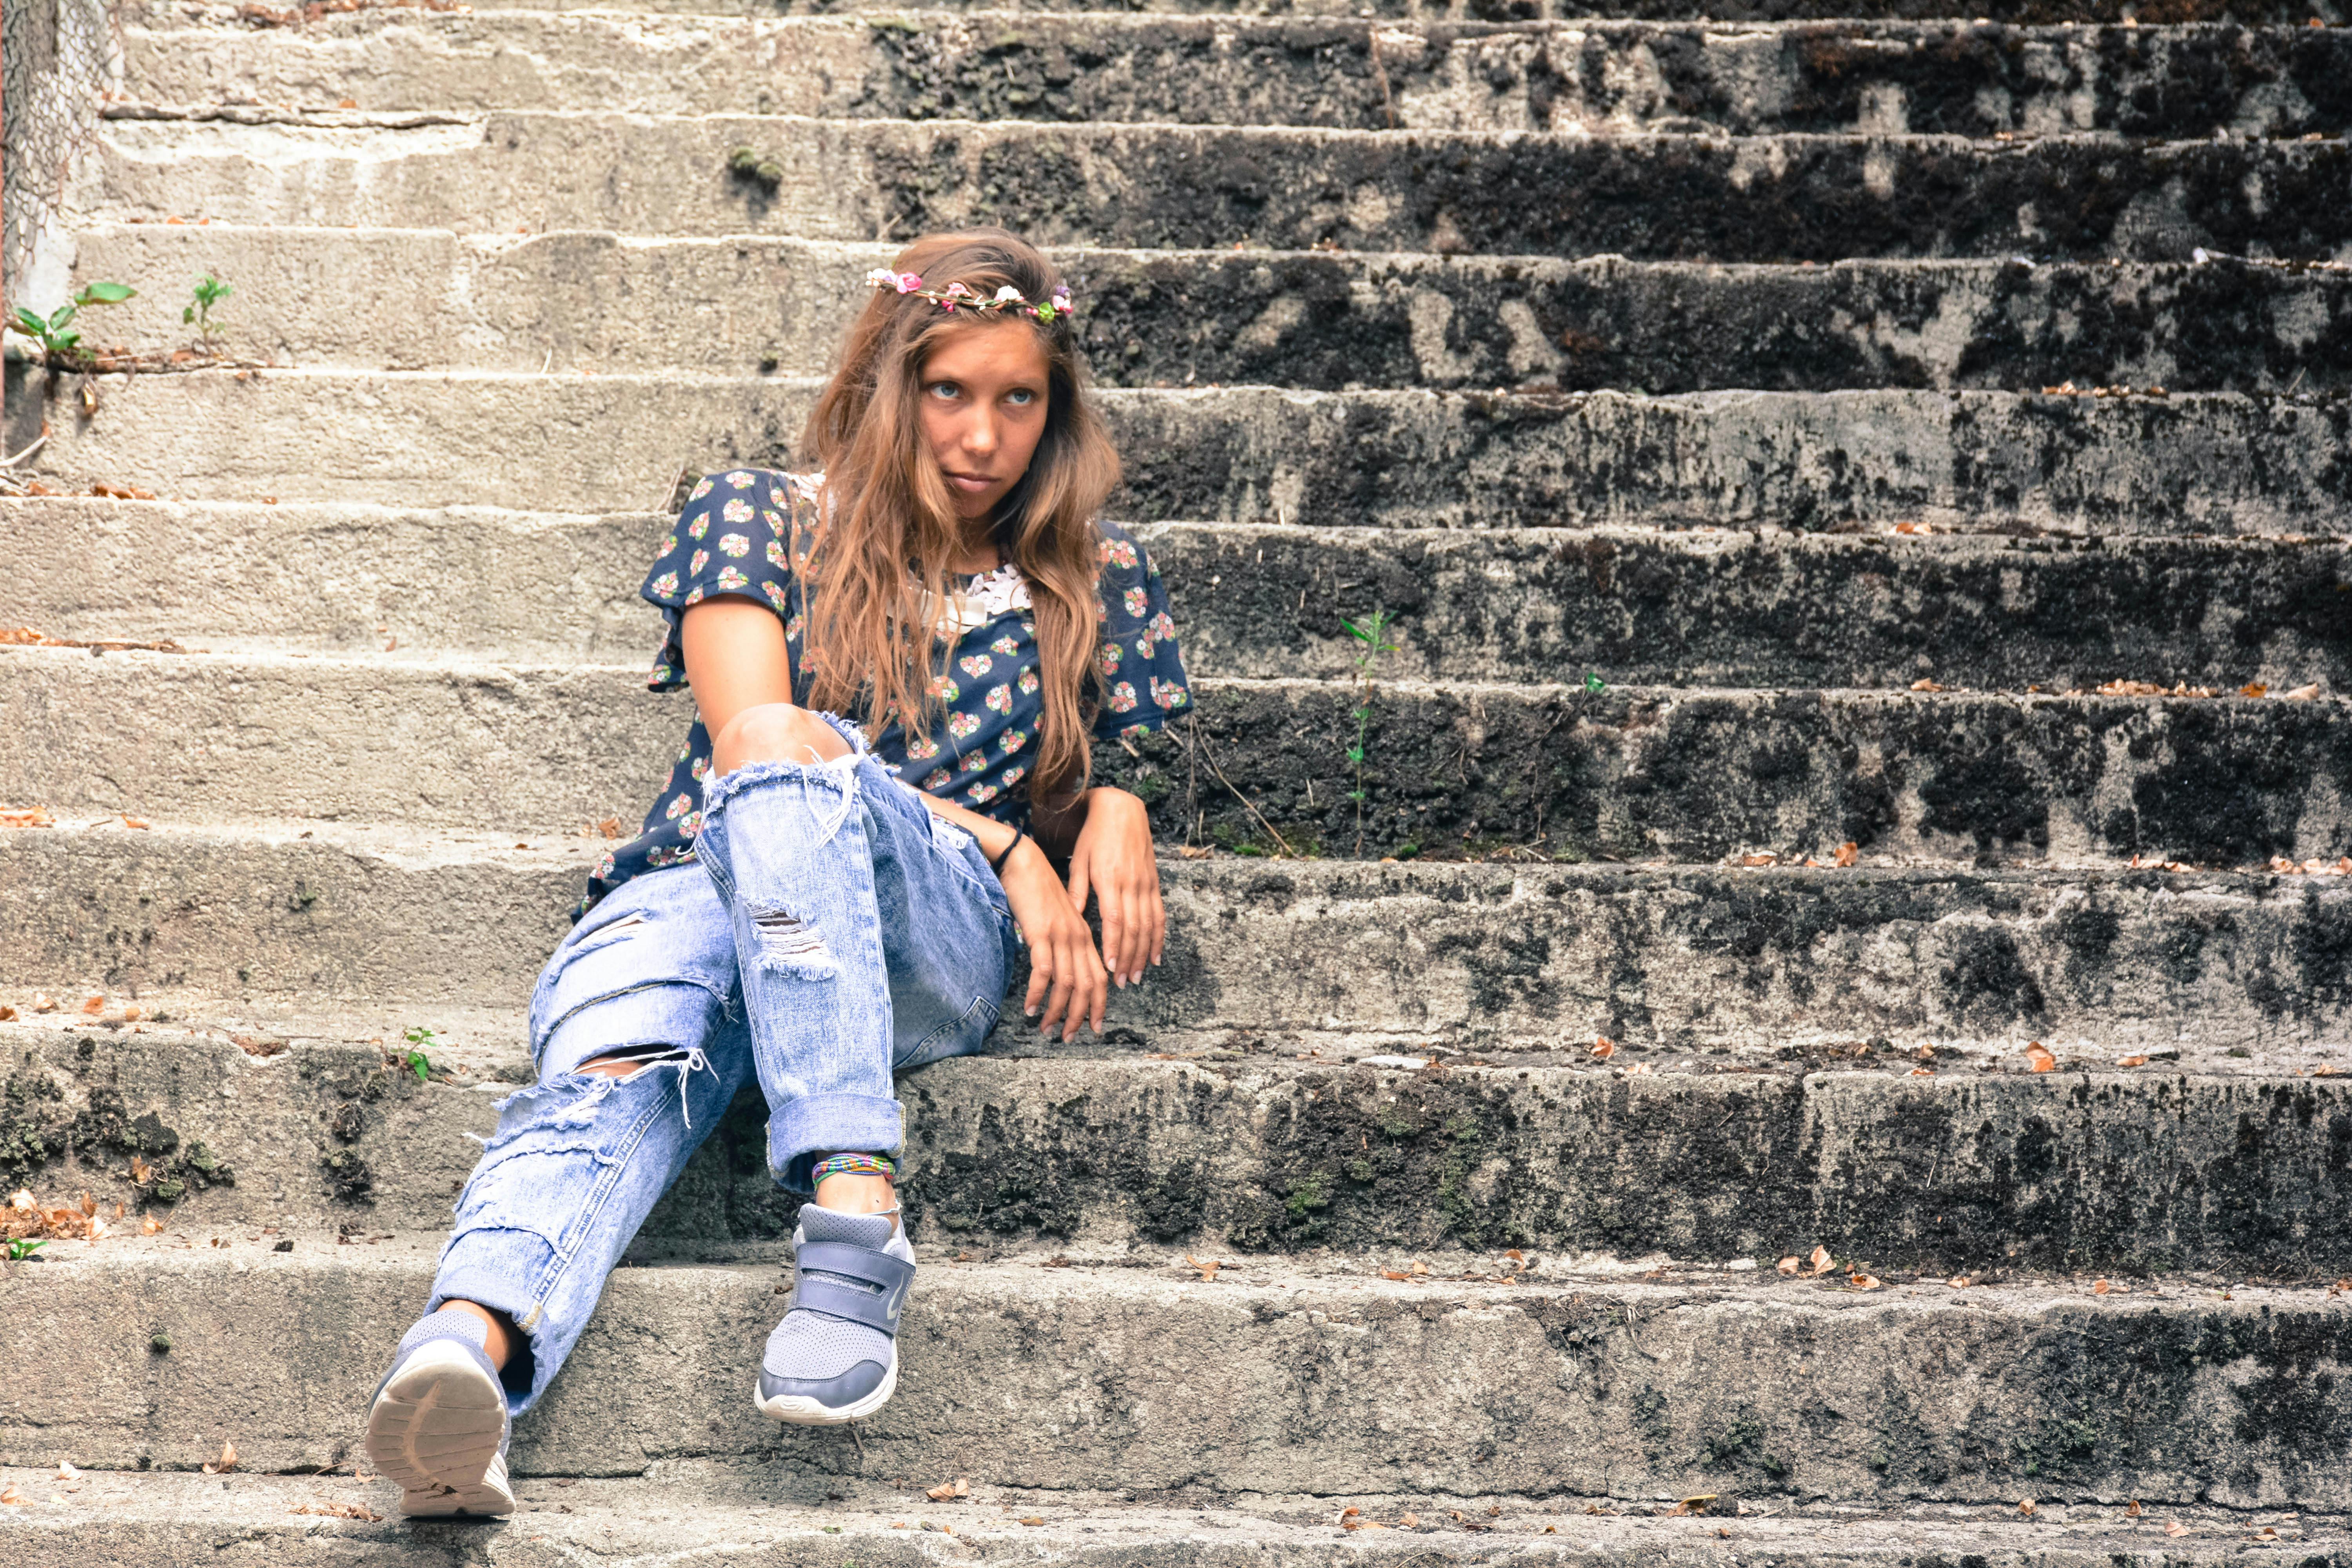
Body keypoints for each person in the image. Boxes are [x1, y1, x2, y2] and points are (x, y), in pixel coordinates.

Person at [359, 229, 1193, 1517]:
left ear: (1056, 409)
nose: (982, 437)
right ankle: (465, 1357)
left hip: (926, 931)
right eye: (949, 392)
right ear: (887, 386)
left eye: (1018, 398)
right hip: (701, 892)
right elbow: (761, 745)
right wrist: (1012, 837)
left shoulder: (1091, 575)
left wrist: (1122, 795)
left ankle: (852, 1202)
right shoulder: (756, 518)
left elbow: (1136, 746)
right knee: (625, 1065)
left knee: (789, 779)